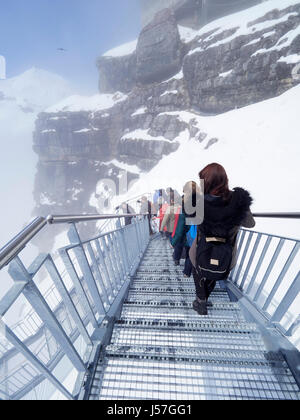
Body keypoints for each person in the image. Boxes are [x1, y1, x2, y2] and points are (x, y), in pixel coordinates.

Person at [189, 163, 255, 316]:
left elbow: (192, 218)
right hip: (226, 255)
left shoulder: (199, 202)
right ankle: (204, 298)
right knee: (215, 271)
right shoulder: (238, 201)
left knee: (198, 267)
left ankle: (201, 301)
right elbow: (250, 223)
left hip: (202, 249)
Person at [171, 182, 201, 274]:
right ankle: (187, 272)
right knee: (191, 251)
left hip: (185, 229)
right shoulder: (202, 200)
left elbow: (180, 224)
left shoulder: (184, 201)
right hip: (196, 229)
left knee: (179, 244)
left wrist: (173, 240)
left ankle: (176, 259)